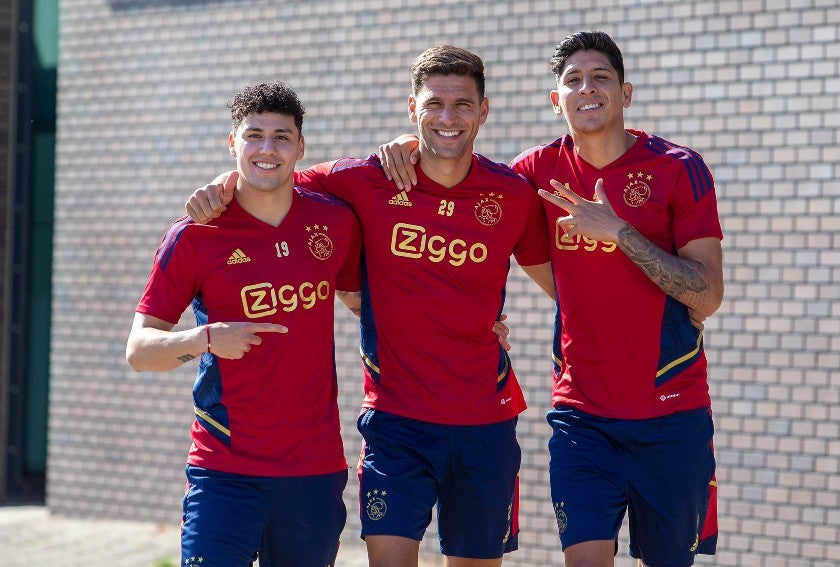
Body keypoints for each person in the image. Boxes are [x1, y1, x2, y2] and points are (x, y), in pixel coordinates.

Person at [185, 46, 555, 567]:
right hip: (394, 422)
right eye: (434, 104)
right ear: (412, 108)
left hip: (485, 422)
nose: (447, 118)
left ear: (483, 111)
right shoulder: (368, 178)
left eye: (462, 105)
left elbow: (566, 289)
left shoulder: (513, 194)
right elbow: (275, 180)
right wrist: (223, 187)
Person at [378, 31, 724, 567]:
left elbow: (707, 295)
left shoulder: (680, 168)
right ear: (555, 99)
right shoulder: (531, 175)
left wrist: (620, 234)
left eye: (601, 78)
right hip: (580, 416)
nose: (587, 89)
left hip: (672, 414)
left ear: (625, 93)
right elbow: (458, 181)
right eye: (573, 80)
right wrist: (408, 147)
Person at [126, 81, 362, 567]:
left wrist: (475, 329)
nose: (267, 149)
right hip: (224, 470)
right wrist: (206, 338)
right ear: (233, 143)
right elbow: (140, 350)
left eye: (281, 136)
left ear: (301, 147)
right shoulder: (194, 236)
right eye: (254, 135)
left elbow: (370, 306)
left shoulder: (335, 223)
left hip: (313, 471)